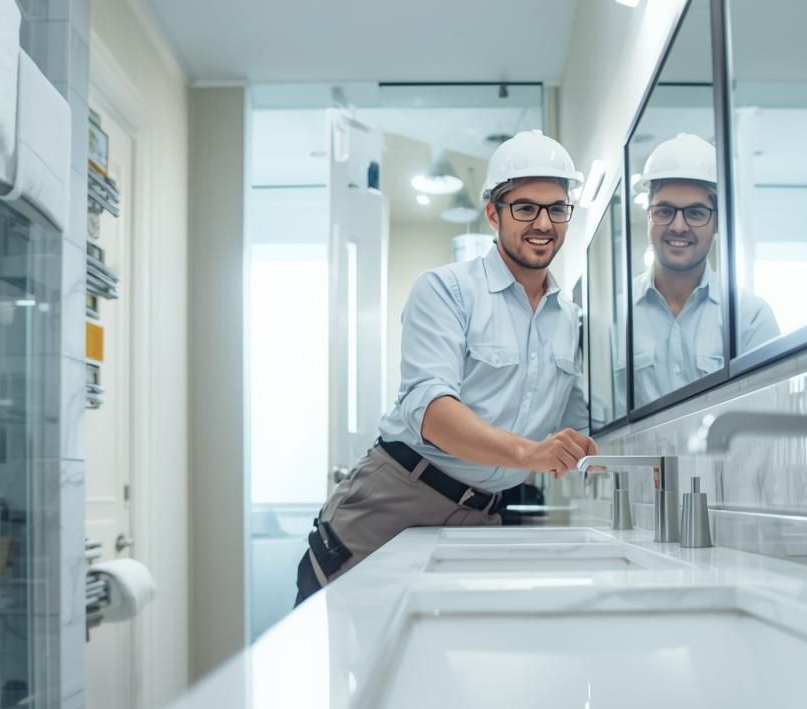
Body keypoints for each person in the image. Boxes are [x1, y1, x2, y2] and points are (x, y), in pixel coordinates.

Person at [295, 130, 599, 604]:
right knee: (342, 668)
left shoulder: (571, 320)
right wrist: (528, 455)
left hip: (481, 519)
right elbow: (431, 411)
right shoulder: (445, 290)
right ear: (493, 213)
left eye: (556, 208)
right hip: (392, 505)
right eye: (525, 207)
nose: (543, 223)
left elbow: (578, 424)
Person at [631, 133, 779, 406]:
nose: (678, 226)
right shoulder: (614, 320)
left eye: (696, 213)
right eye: (664, 211)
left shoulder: (750, 318)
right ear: (648, 215)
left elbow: (767, 418)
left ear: (718, 222)